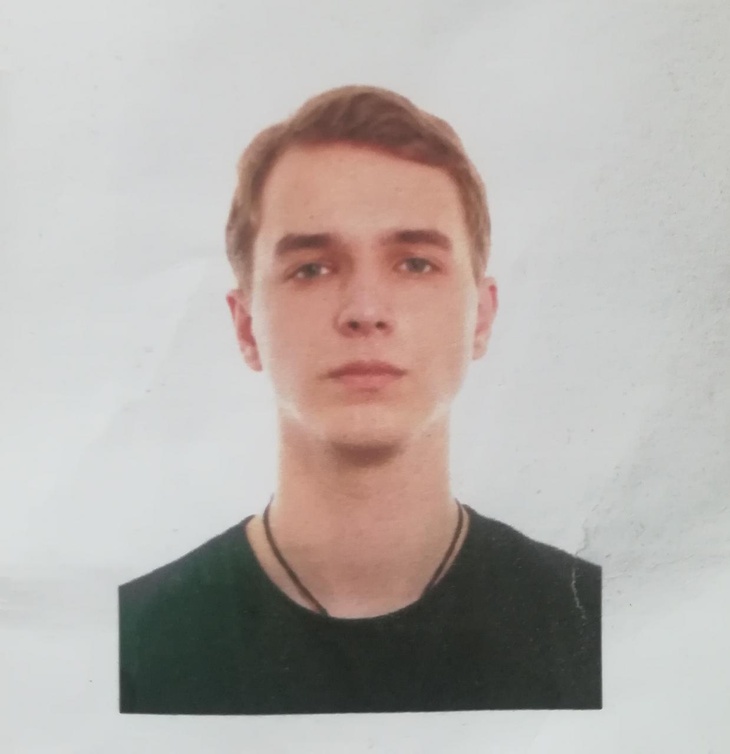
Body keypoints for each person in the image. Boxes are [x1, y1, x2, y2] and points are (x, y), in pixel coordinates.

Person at [119, 84, 601, 715]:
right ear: (246, 327)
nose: (366, 311)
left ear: (481, 318)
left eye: (415, 263)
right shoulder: (131, 646)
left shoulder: (596, 626)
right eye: (312, 268)